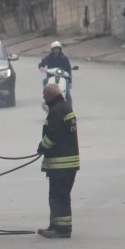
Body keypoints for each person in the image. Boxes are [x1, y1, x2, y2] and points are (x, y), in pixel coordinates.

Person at [36, 83, 80, 239]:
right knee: (58, 195)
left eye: (44, 95)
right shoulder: (65, 108)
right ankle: (55, 225)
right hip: (68, 163)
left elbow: (53, 135)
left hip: (61, 163)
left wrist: (42, 147)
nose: (43, 98)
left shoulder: (56, 111)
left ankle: (62, 229)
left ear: (49, 95)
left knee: (58, 195)